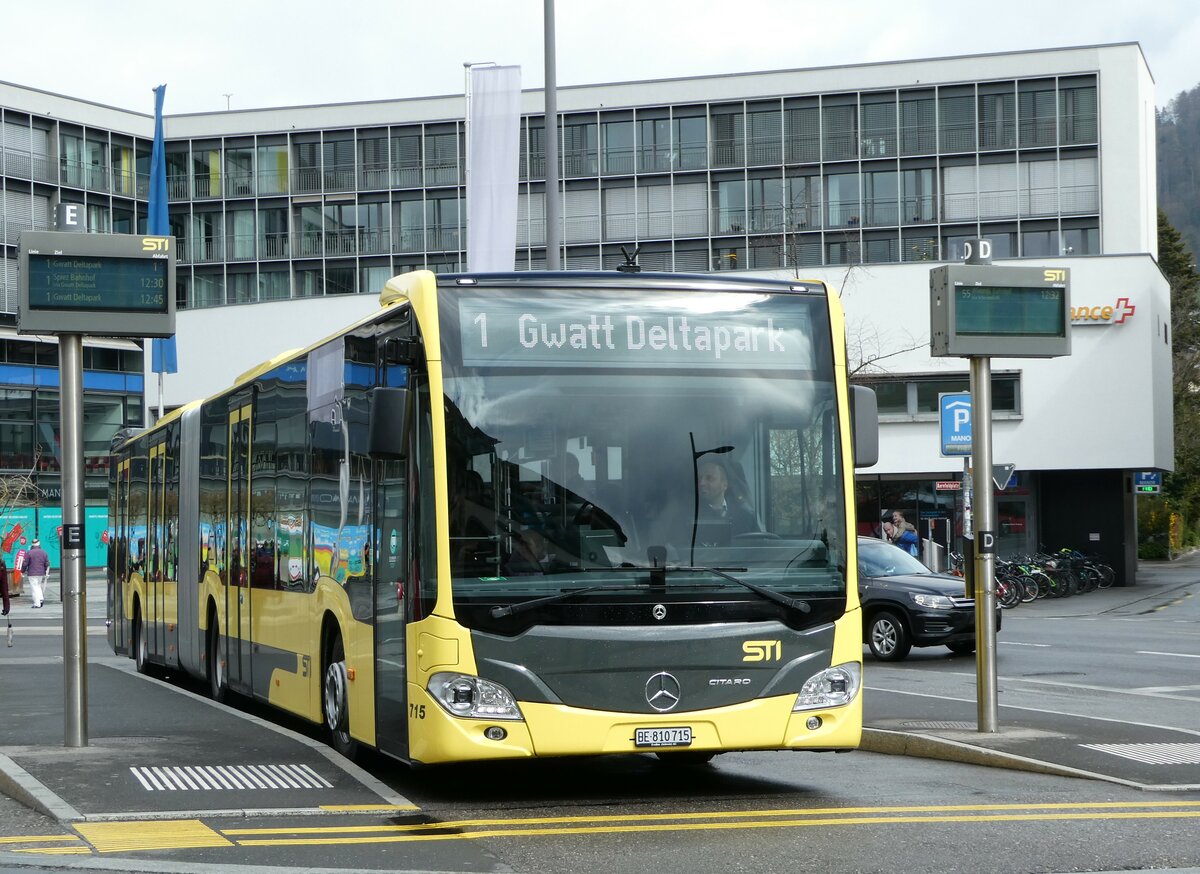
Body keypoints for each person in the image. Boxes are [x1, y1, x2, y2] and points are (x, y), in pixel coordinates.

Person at [696, 459, 758, 536]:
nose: (702, 483)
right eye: (699, 479)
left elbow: (759, 543)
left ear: (724, 485)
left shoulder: (745, 515)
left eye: (709, 478)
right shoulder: (690, 514)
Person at [25, 538, 50, 609]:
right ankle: (41, 598)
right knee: (38, 586)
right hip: (41, 572)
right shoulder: (43, 552)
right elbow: (47, 563)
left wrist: (22, 571)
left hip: (32, 573)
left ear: (32, 544)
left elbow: (25, 563)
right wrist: (46, 571)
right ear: (39, 543)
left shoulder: (29, 553)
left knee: (34, 587)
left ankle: (37, 603)